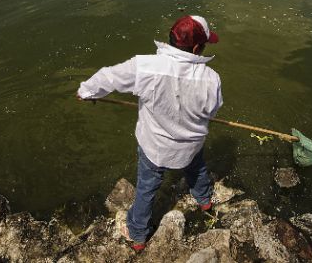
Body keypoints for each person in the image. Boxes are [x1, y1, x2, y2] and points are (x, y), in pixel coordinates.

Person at [76, 15, 223, 252]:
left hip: (155, 148)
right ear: (197, 48)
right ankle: (204, 200)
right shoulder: (212, 79)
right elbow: (213, 110)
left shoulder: (144, 66)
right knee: (197, 167)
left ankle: (138, 236)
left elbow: (108, 76)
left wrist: (87, 91)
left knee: (147, 187)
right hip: (190, 146)